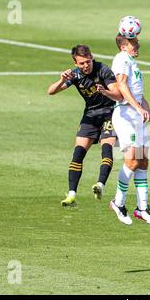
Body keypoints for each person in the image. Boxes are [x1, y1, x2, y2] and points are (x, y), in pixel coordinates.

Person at [47, 45, 123, 206]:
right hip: (90, 115)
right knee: (78, 153)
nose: (86, 66)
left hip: (110, 113)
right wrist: (62, 79)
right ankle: (72, 194)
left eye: (88, 61)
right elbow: (51, 91)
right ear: (76, 64)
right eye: (81, 63)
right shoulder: (75, 75)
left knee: (106, 148)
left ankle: (100, 184)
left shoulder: (103, 70)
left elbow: (118, 94)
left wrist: (105, 91)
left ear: (92, 58)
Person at [109, 34, 150, 226]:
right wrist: (138, 108)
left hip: (137, 115)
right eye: (133, 42)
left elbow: (141, 97)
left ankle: (142, 208)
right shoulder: (121, 59)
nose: (138, 44)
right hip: (125, 114)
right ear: (124, 46)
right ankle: (118, 203)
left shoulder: (132, 62)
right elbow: (122, 85)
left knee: (143, 162)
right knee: (132, 159)